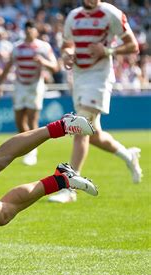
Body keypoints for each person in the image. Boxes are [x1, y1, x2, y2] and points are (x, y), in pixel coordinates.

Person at [49, 0, 143, 203]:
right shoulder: (73, 16)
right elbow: (67, 44)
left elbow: (133, 46)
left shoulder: (111, 13)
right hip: (80, 76)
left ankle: (69, 187)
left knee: (80, 127)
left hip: (99, 76)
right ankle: (129, 156)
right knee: (94, 134)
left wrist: (108, 51)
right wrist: (67, 54)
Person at [0, 20, 59, 166]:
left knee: (32, 120)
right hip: (19, 85)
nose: (29, 31)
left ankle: (32, 152)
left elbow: (55, 67)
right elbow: (9, 66)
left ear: (36, 31)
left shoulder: (43, 47)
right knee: (19, 121)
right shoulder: (17, 47)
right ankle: (27, 147)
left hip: (35, 85)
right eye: (27, 29)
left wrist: (43, 62)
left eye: (32, 29)